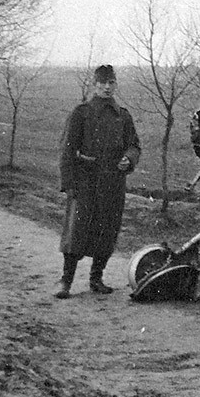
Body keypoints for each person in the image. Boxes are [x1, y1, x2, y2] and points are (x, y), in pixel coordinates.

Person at [56, 64, 141, 299]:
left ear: (116, 85)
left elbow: (134, 144)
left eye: (111, 82)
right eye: (102, 82)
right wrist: (69, 183)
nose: (107, 87)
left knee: (107, 230)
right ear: (95, 84)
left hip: (112, 183)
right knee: (76, 231)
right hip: (85, 181)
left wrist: (128, 159)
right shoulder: (81, 113)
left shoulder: (123, 115)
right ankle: (66, 281)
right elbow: (66, 149)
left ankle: (96, 278)